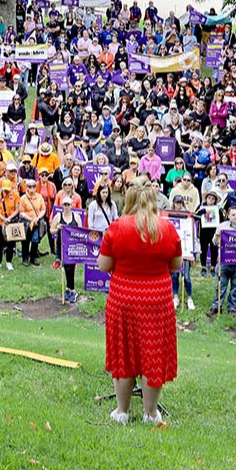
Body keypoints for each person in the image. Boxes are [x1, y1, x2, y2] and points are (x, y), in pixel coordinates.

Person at [98, 179, 183, 424]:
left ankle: (122, 411)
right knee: (152, 353)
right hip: (157, 301)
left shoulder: (116, 227)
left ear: (129, 201)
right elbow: (175, 266)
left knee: (124, 353)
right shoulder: (167, 228)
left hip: (123, 299)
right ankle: (150, 413)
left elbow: (103, 266)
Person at [206, 205, 236, 317]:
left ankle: (232, 308)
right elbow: (214, 242)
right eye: (233, 215)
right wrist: (218, 236)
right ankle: (216, 306)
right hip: (224, 262)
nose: (235, 217)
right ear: (228, 216)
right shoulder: (222, 226)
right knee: (220, 286)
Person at [0, 178, 20, 271]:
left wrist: (9, 218)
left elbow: (17, 209)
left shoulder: (15, 195)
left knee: (10, 243)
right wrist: (3, 218)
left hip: (11, 222)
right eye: (5, 190)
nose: (6, 191)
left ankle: (9, 262)